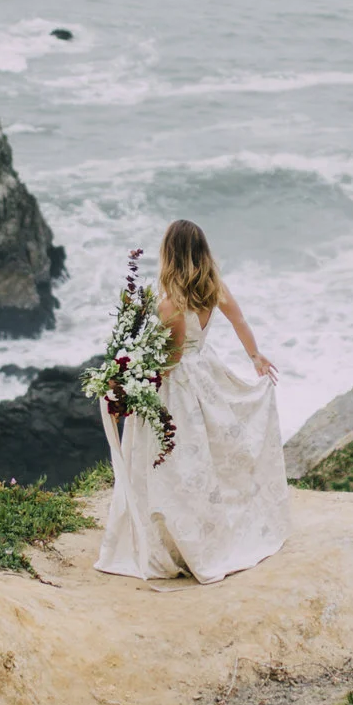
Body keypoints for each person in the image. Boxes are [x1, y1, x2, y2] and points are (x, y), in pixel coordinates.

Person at [95, 219, 291, 583]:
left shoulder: (171, 304)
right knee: (205, 455)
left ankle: (180, 543)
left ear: (169, 255)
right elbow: (240, 320)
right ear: (201, 253)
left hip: (179, 385)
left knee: (172, 462)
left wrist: (133, 381)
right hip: (206, 372)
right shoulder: (213, 288)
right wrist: (255, 356)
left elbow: (169, 361)